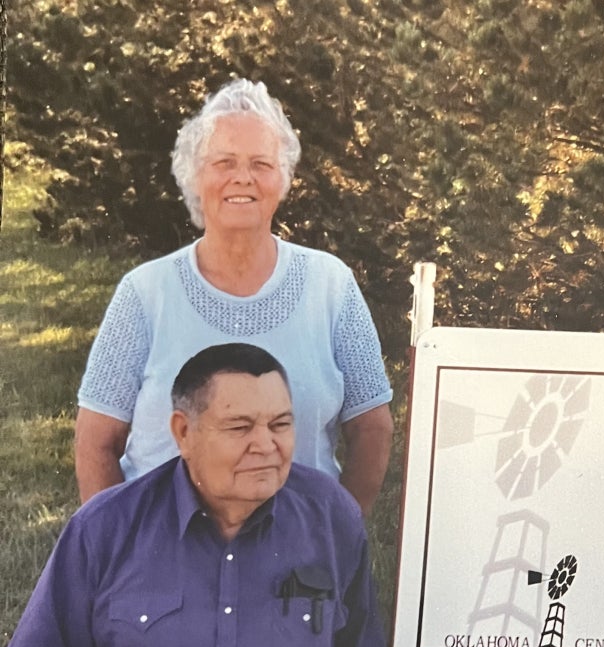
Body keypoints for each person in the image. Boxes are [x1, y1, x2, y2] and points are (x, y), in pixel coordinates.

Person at [2, 343, 390, 647]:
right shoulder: (105, 529)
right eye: (239, 426)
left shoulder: (331, 516)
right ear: (183, 432)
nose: (265, 445)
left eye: (280, 424)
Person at [74, 78, 393, 515]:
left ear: (283, 179)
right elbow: (95, 442)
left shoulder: (331, 285)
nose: (242, 177)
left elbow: (373, 429)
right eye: (224, 162)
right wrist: (119, 553)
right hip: (166, 562)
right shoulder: (144, 293)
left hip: (297, 565)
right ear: (194, 176)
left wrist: (336, 539)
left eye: (261, 163)